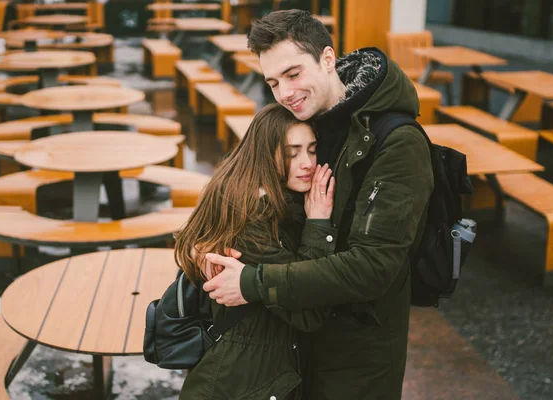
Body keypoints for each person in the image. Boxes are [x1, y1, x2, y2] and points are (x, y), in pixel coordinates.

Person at [201, 9, 435, 400]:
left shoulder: (397, 143)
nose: (285, 93)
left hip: (356, 358)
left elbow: (375, 266)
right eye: (273, 82)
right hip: (296, 336)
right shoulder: (310, 121)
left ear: (328, 60)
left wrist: (254, 282)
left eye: (293, 74)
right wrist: (213, 235)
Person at [174, 103, 337, 399]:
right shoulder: (251, 218)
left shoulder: (266, 197)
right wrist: (318, 224)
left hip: (253, 376)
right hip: (244, 385)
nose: (307, 163)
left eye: (312, 150)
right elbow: (310, 310)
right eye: (292, 152)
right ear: (266, 153)